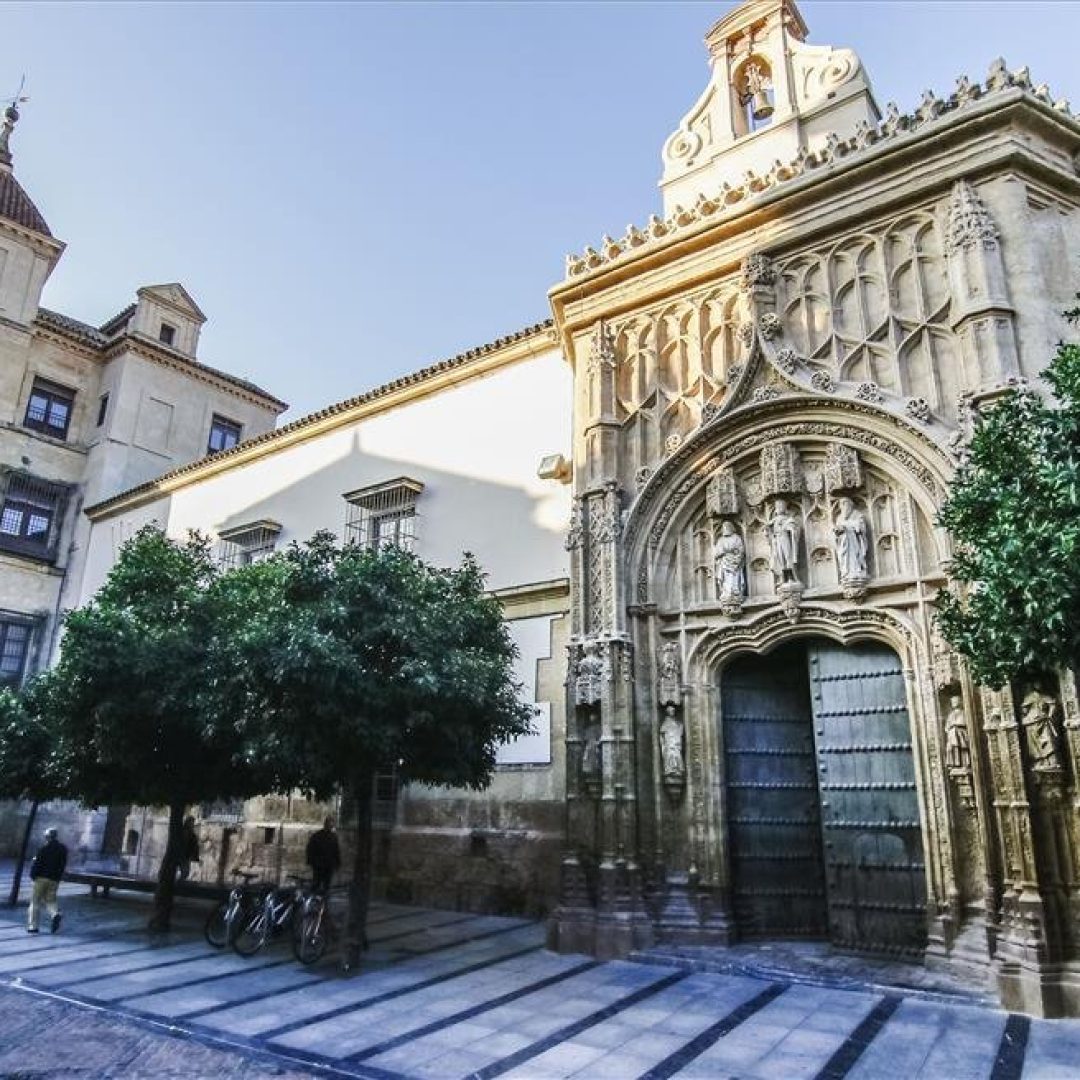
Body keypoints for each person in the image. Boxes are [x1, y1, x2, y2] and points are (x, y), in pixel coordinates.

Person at [28, 826, 67, 934]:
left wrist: (33, 875)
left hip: (41, 878)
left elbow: (37, 863)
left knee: (35, 902)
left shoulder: (43, 849)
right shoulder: (63, 849)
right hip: (54, 879)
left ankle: (33, 926)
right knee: (51, 900)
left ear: (47, 837)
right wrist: (58, 878)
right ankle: (55, 914)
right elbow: (62, 865)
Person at [306, 816, 341, 896]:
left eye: (331, 824)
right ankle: (313, 899)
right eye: (329, 824)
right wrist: (312, 862)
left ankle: (324, 902)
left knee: (326, 886)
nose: (330, 826)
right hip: (319, 865)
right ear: (325, 824)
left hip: (329, 865)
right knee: (316, 884)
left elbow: (336, 850)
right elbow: (310, 849)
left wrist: (338, 863)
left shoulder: (333, 837)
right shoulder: (317, 836)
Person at [178, 815, 200, 881]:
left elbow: (193, 845)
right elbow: (185, 844)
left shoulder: (190, 832)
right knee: (185, 872)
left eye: (193, 822)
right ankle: (179, 884)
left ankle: (180, 884)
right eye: (191, 822)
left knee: (185, 872)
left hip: (187, 856)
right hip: (184, 856)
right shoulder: (185, 832)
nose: (193, 824)